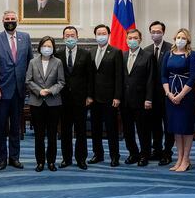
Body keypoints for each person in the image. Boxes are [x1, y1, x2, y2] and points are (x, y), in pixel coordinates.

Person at [0, 10, 33, 170]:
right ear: (3, 21)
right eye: (7, 19)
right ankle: (2, 158)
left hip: (19, 90)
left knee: (15, 127)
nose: (10, 21)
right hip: (0, 90)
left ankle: (15, 157)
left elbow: (30, 62)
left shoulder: (25, 37)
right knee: (0, 126)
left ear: (17, 20)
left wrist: (28, 83)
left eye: (13, 18)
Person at [161, 28, 195, 172]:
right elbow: (164, 75)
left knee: (186, 128)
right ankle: (179, 158)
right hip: (170, 94)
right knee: (176, 128)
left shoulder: (192, 55)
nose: (180, 40)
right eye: (178, 37)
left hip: (186, 95)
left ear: (187, 40)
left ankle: (186, 159)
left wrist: (180, 95)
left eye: (183, 38)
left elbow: (193, 77)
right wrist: (169, 93)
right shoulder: (168, 54)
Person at [55, 26, 92, 170]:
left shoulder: (85, 54)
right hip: (63, 99)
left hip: (81, 99)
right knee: (65, 131)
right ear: (63, 37)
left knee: (81, 130)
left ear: (77, 37)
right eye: (67, 35)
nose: (70, 37)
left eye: (72, 35)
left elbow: (90, 76)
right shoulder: (58, 55)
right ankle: (66, 159)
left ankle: (81, 159)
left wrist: (89, 95)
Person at [26, 36, 65, 172]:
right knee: (39, 135)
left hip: (53, 103)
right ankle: (40, 162)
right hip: (36, 103)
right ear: (40, 47)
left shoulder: (58, 62)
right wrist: (39, 91)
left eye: (49, 46)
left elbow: (61, 82)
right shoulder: (33, 62)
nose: (47, 48)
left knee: (52, 134)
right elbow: (28, 80)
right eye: (45, 46)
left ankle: (51, 162)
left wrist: (50, 91)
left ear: (53, 48)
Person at [88, 24, 122, 167]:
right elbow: (88, 76)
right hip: (94, 98)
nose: (101, 35)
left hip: (110, 98)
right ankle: (98, 154)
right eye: (98, 33)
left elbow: (119, 76)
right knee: (95, 129)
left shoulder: (115, 52)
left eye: (103, 33)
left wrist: (117, 96)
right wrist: (88, 95)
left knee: (111, 129)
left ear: (108, 35)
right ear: (95, 35)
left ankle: (114, 156)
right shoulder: (91, 51)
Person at [121, 29, 155, 167]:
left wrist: (149, 98)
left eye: (135, 38)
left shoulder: (148, 56)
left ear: (140, 39)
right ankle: (133, 153)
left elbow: (151, 79)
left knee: (143, 130)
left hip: (142, 101)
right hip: (125, 100)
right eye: (130, 38)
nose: (132, 40)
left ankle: (144, 155)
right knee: (127, 131)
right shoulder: (122, 55)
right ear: (126, 39)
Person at [143, 21, 174, 166]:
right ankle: (156, 150)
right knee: (154, 125)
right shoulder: (146, 50)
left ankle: (167, 152)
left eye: (158, 31)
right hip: (151, 95)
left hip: (167, 94)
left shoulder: (171, 49)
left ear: (163, 32)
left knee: (168, 126)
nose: (155, 34)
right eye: (153, 31)